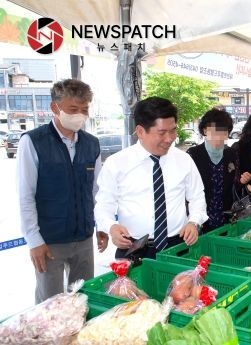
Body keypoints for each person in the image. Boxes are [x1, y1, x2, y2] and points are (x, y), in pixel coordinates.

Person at [17, 79, 108, 303]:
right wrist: (34, 240)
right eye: (73, 109)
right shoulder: (33, 142)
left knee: (83, 299)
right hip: (49, 240)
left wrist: (102, 225)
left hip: (84, 237)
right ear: (55, 108)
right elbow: (25, 196)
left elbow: (98, 191)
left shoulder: (91, 144)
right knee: (50, 305)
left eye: (84, 109)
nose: (79, 115)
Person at [95, 96, 208, 260]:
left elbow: (197, 196)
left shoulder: (184, 160)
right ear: (140, 131)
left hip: (178, 246)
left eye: (173, 130)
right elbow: (103, 206)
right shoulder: (116, 164)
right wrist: (111, 227)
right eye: (162, 132)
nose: (170, 138)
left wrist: (194, 222)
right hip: (134, 248)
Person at [186, 108, 237, 233]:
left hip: (226, 216)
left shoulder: (231, 153)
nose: (219, 136)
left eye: (223, 132)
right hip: (200, 219)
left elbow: (235, 183)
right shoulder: (193, 154)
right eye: (214, 131)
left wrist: (242, 180)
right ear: (204, 130)